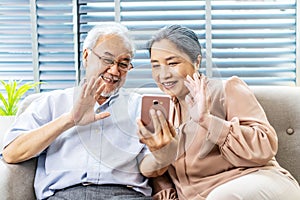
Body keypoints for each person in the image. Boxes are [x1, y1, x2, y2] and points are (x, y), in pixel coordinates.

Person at [1, 23, 176, 200]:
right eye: (107, 60)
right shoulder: (51, 102)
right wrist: (69, 120)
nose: (115, 71)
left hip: (125, 195)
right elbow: (11, 153)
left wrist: (161, 154)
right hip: (63, 195)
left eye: (123, 64)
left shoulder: (139, 107)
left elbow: (149, 169)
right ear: (86, 56)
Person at [137, 24, 300, 200]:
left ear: (196, 62)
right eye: (156, 66)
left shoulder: (226, 89)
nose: (163, 75)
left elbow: (264, 146)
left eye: (173, 63)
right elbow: (162, 179)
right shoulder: (163, 112)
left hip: (257, 181)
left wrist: (208, 120)